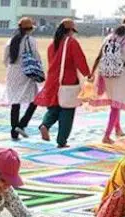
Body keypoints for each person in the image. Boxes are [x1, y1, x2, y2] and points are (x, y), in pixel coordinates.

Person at [89, 15, 125, 145]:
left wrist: (92, 72)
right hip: (121, 76)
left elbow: (99, 57)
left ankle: (118, 128)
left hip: (106, 73)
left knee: (115, 103)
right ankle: (107, 136)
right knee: (116, 104)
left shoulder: (108, 38)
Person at [34, 18, 90, 148]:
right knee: (67, 111)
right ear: (70, 31)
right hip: (67, 82)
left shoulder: (52, 45)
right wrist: (88, 74)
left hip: (52, 81)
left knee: (54, 108)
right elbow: (79, 60)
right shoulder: (71, 43)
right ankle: (61, 140)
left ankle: (45, 125)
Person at [4, 17, 41, 140]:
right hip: (26, 73)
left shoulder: (10, 41)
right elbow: (36, 57)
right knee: (35, 99)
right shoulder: (30, 41)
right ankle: (22, 124)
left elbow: (5, 60)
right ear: (30, 29)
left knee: (15, 102)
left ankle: (14, 131)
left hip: (12, 73)